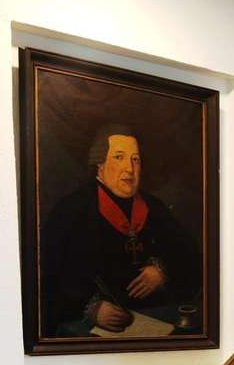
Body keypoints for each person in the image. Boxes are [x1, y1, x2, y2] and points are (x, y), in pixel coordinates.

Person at [41, 123, 199, 334]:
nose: (129, 168)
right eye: (119, 157)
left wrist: (162, 271)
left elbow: (191, 257)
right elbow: (47, 277)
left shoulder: (154, 207)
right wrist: (90, 309)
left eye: (135, 159)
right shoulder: (71, 210)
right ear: (100, 164)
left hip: (155, 315)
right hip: (91, 328)